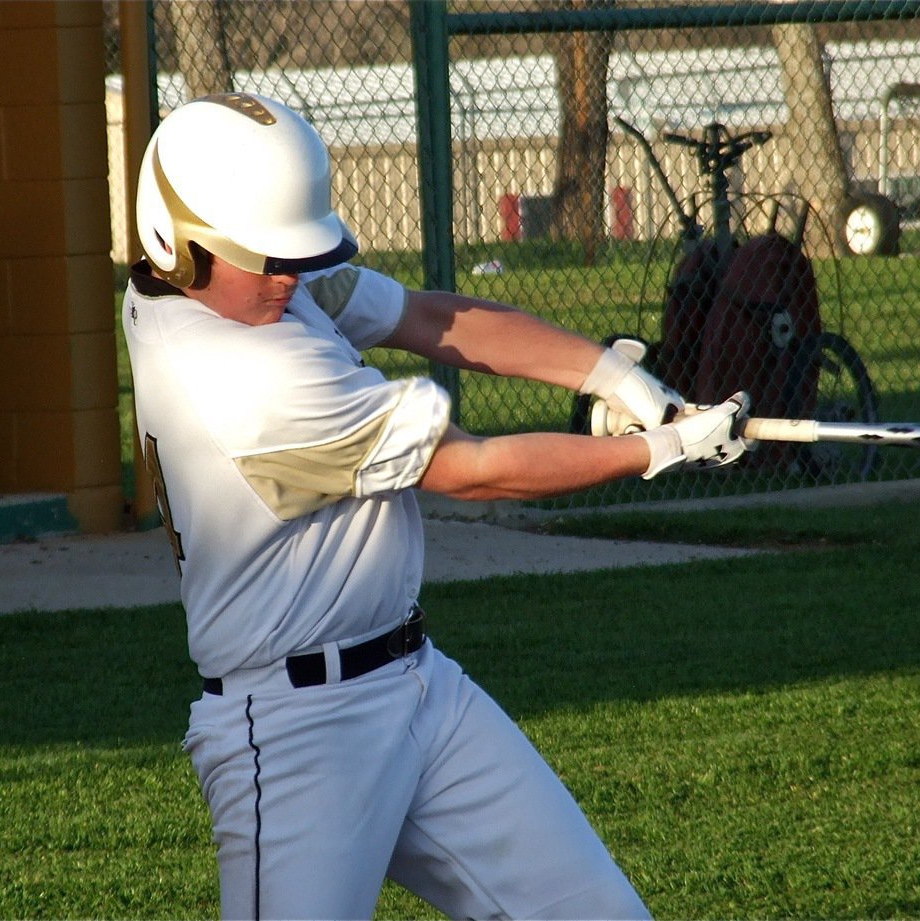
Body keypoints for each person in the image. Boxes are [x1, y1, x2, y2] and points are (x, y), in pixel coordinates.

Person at [124, 92, 751, 921]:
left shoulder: (238, 285)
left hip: (419, 685)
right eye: (268, 258)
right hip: (295, 734)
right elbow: (476, 470)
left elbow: (429, 317)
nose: (290, 275)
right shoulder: (245, 381)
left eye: (293, 255)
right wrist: (656, 449)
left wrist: (616, 376)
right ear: (180, 242)